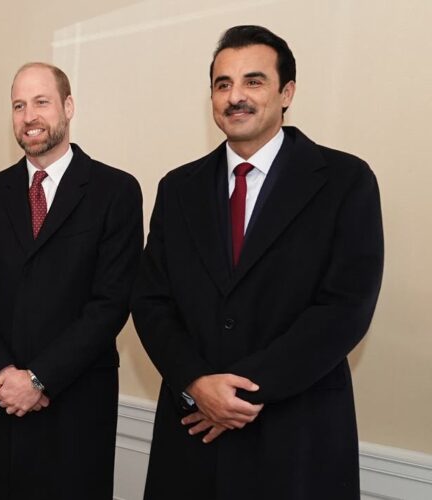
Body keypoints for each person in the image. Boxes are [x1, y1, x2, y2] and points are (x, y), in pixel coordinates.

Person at [131, 25, 384, 499]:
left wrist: (241, 393)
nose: (235, 97)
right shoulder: (177, 189)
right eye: (222, 84)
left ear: (286, 92)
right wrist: (196, 382)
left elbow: (345, 308)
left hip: (295, 436)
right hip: (193, 431)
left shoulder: (345, 181)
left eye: (253, 81)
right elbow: (151, 301)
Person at [0, 62, 143, 499]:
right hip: (1, 402)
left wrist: (38, 379)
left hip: (76, 402)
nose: (29, 116)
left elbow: (111, 302)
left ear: (68, 106)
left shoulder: (115, 191)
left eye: (41, 102)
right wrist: (4, 374)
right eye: (18, 105)